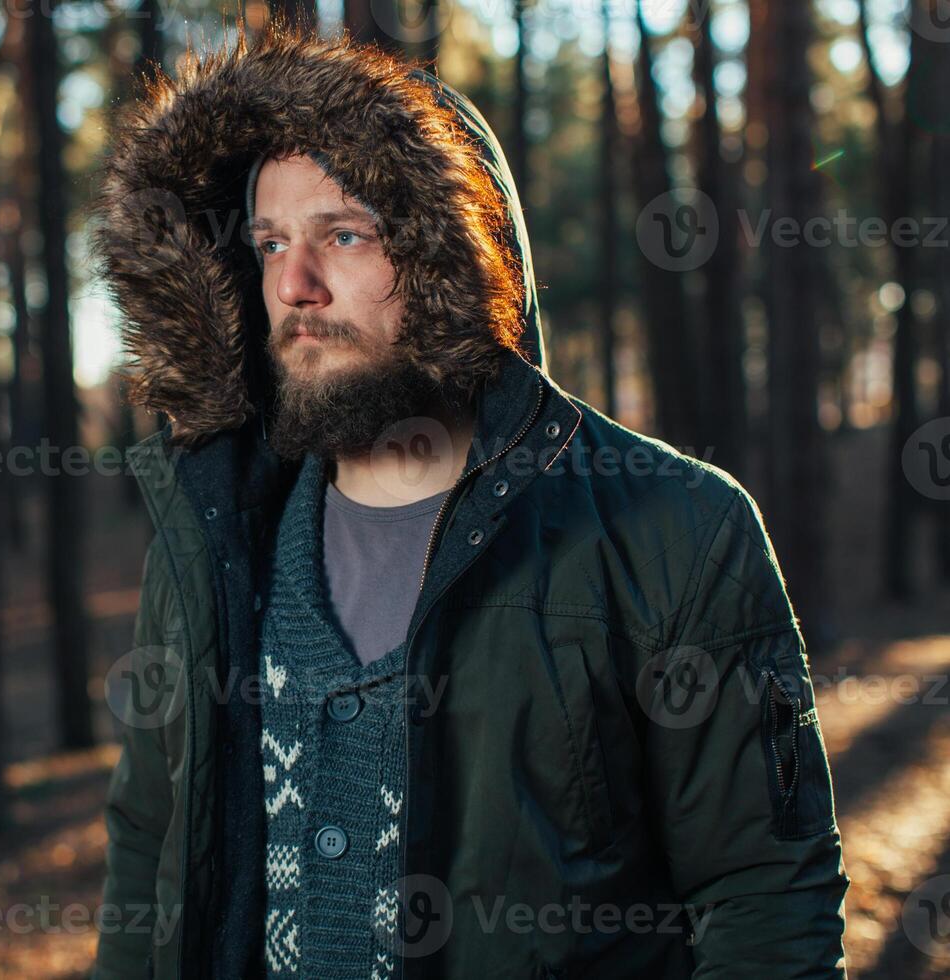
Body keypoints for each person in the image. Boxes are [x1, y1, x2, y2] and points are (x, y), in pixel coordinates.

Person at [89, 21, 849, 980]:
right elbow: (146, 855)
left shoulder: (674, 529)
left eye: (345, 234)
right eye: (269, 241)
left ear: (455, 258)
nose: (294, 283)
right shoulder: (211, 537)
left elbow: (763, 900)